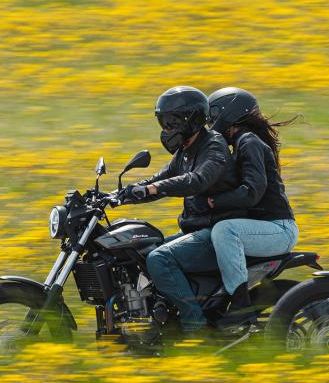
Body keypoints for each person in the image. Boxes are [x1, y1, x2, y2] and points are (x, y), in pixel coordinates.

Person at [119, 85, 240, 333]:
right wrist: (119, 195)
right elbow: (159, 180)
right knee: (140, 252)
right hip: (196, 229)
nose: (165, 130)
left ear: (191, 120)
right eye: (162, 123)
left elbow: (197, 180)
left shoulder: (213, 146)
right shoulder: (185, 151)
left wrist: (151, 189)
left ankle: (194, 327)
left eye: (171, 123)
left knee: (159, 258)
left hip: (217, 231)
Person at [205, 87, 299, 329]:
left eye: (212, 116)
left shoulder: (249, 142)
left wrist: (217, 201)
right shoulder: (242, 143)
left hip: (277, 229)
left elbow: (252, 191)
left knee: (225, 231)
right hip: (264, 228)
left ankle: (240, 305)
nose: (210, 123)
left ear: (228, 113)